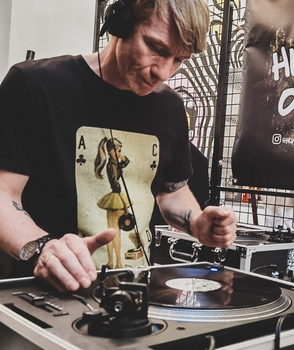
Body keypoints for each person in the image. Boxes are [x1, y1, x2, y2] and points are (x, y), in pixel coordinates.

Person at [0, 0, 237, 292]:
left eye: (178, 59)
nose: (163, 72)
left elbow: (171, 191)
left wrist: (197, 222)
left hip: (134, 295)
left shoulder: (171, 107)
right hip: (46, 295)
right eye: (156, 48)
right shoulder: (33, 85)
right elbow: (3, 193)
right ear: (120, 23)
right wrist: (43, 249)